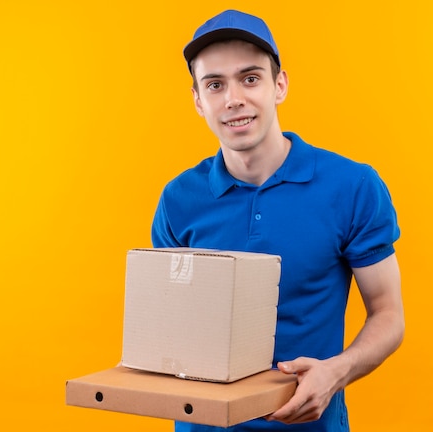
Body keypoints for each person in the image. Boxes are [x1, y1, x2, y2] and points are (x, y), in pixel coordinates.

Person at [151, 9, 404, 432]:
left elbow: (388, 313)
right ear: (198, 100)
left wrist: (337, 371)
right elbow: (169, 322)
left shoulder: (353, 186)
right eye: (215, 85)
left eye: (250, 78)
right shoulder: (178, 200)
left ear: (279, 85)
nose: (234, 98)